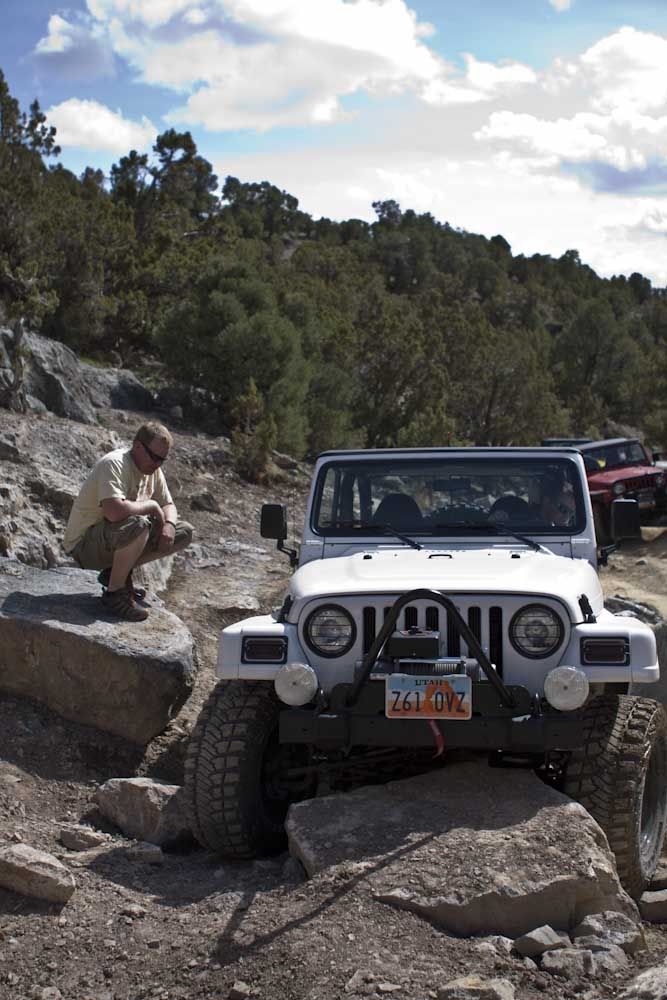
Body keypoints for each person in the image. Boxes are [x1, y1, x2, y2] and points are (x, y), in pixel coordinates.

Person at [63, 421, 194, 621]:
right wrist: (151, 506)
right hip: (85, 546)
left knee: (183, 532)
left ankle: (115, 574)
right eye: (154, 457)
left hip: (113, 539)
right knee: (139, 524)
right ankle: (115, 595)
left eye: (162, 460)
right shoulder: (114, 464)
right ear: (138, 446)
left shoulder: (153, 470)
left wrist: (168, 525)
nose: (157, 464)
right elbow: (114, 512)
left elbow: (169, 505)